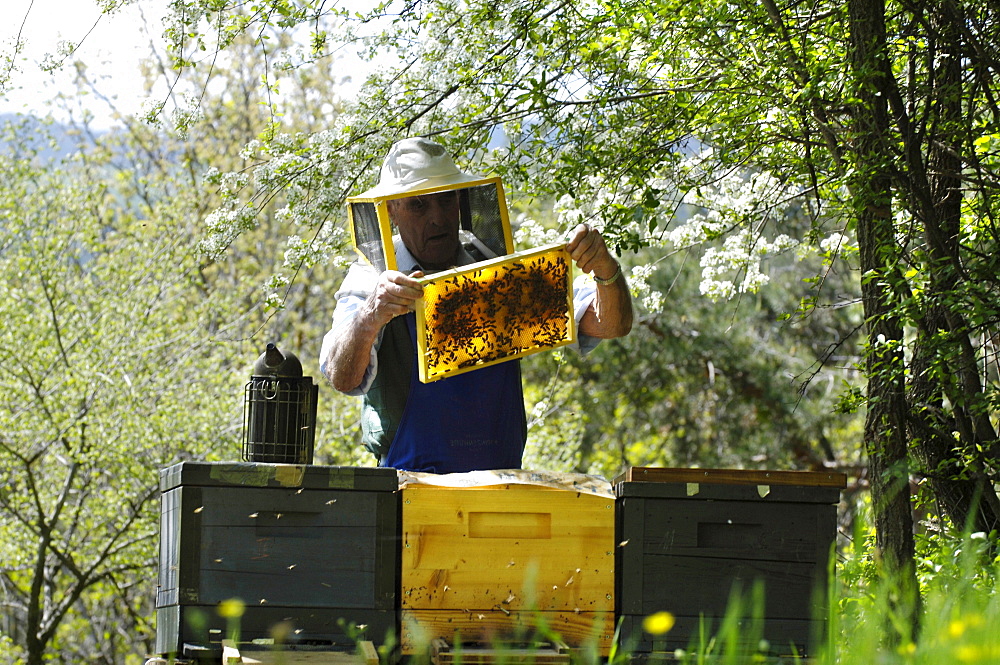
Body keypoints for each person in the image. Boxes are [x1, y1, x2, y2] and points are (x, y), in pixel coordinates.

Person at [320, 137, 633, 473]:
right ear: (392, 210)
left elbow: (611, 324)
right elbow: (342, 377)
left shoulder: (493, 266)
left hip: (501, 480)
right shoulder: (372, 278)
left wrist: (604, 268)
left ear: (460, 199)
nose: (438, 218)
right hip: (407, 485)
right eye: (418, 205)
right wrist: (371, 316)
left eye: (445, 200)